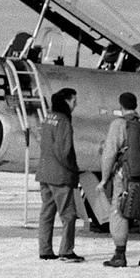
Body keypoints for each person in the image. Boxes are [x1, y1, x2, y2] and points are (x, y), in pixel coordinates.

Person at [100, 91, 140, 267]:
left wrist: (104, 178)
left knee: (119, 212)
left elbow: (109, 153)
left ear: (121, 105)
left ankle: (120, 255)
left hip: (126, 177)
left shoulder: (119, 124)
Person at [36, 88, 84, 261]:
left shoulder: (47, 118)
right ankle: (66, 250)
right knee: (68, 214)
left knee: (47, 213)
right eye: (74, 101)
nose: (75, 104)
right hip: (60, 175)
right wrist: (73, 169)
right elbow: (64, 151)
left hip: (44, 173)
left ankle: (45, 249)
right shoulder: (64, 121)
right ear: (66, 100)